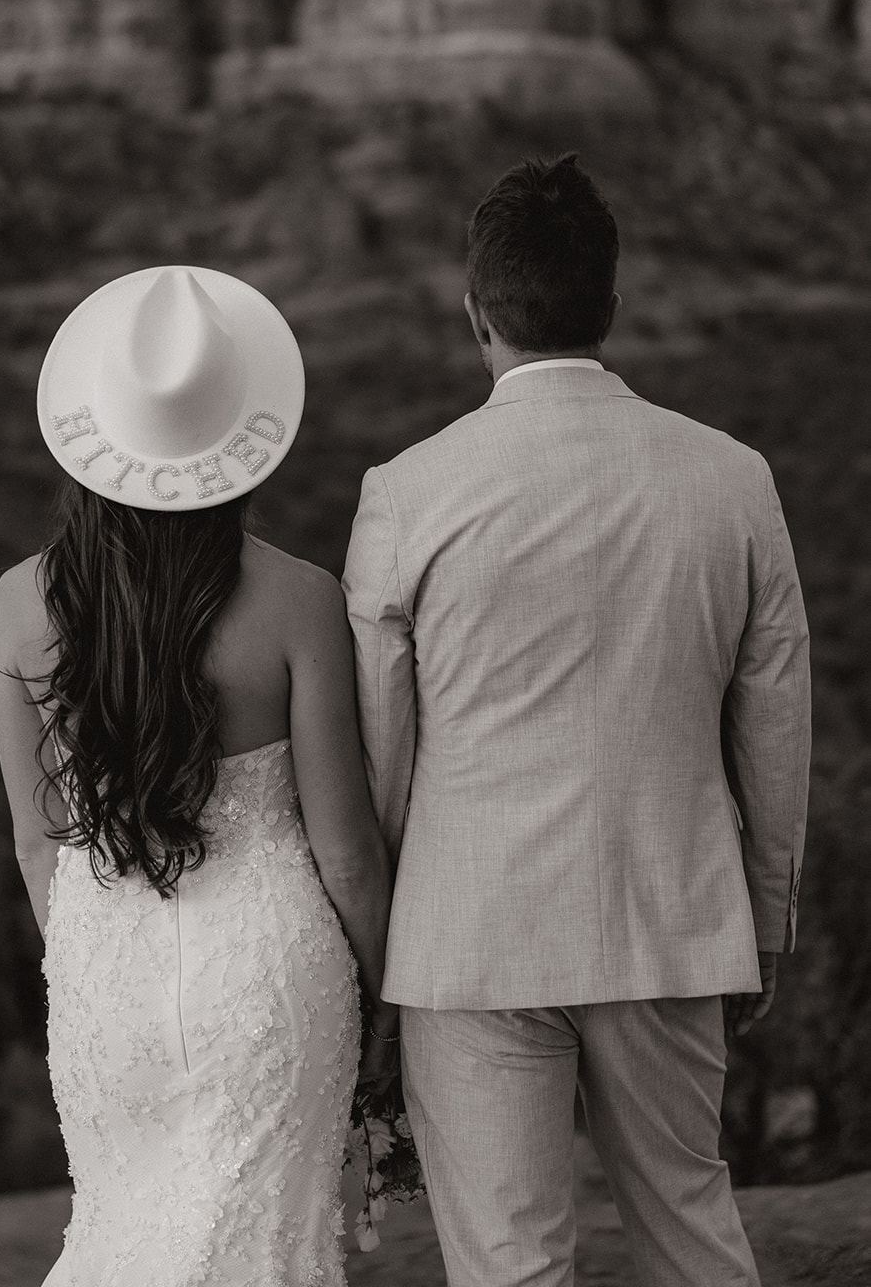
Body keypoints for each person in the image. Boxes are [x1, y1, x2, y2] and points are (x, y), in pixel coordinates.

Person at [342, 153, 811, 1287]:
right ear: (607, 302)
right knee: (694, 1238)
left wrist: (383, 933)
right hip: (669, 913)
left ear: (475, 313)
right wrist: (761, 913)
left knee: (510, 1266)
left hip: (469, 938)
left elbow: (381, 752)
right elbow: (773, 716)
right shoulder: (731, 476)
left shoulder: (405, 490)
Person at [0, 265, 399, 1287]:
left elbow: (36, 842)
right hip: (272, 977)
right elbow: (346, 853)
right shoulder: (301, 599)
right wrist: (389, 1001)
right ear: (239, 441)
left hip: (100, 976)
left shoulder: (15, 603)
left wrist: (89, 960)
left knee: (119, 1232)